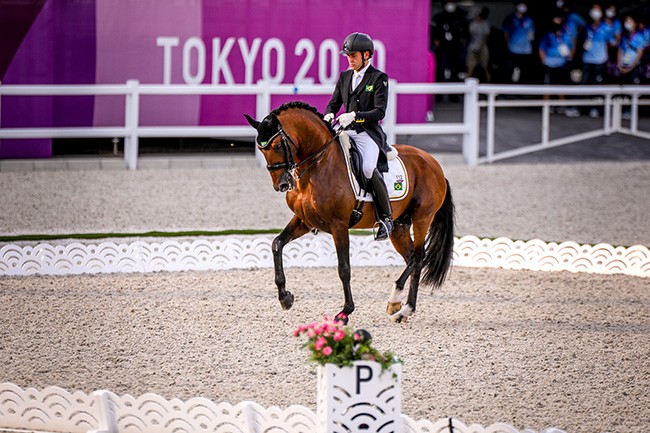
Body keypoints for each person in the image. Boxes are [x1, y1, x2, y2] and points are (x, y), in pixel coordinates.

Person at [323, 32, 393, 241]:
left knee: (367, 168)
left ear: (366, 55)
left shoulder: (378, 78)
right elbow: (334, 103)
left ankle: (386, 218)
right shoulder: (345, 77)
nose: (350, 59)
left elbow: (380, 112)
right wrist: (328, 113)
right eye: (348, 56)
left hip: (367, 134)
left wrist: (356, 116)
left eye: (353, 55)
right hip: (344, 131)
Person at [539, 12, 577, 116]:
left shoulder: (566, 34)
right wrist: (544, 60)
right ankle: (547, 106)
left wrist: (570, 56)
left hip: (562, 64)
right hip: (550, 64)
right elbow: (541, 49)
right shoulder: (548, 35)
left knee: (562, 86)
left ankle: (562, 106)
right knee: (548, 86)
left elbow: (572, 46)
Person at [431, 0, 468, 97]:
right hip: (442, 48)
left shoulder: (460, 16)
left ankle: (454, 95)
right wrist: (436, 39)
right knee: (440, 70)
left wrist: (462, 41)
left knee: (455, 70)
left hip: (455, 48)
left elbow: (465, 32)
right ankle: (439, 95)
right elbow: (433, 30)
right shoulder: (439, 17)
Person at [581, 3, 612, 117]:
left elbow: (611, 42)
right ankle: (583, 107)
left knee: (596, 84)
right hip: (587, 58)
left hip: (600, 59)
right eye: (593, 9)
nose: (595, 12)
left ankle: (595, 108)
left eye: (597, 10)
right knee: (584, 83)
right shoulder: (587, 26)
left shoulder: (606, 27)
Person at [617, 15, 646, 118]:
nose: (627, 23)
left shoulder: (639, 36)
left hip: (634, 67)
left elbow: (640, 53)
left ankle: (632, 111)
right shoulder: (624, 37)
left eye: (630, 21)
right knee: (624, 90)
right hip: (623, 66)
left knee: (633, 89)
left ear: (635, 23)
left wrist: (631, 67)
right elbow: (620, 51)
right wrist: (619, 64)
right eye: (626, 21)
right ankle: (624, 110)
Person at [502, 1, 535, 84]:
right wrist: (508, 44)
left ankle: (522, 91)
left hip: (526, 50)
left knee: (524, 71)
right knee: (511, 71)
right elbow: (506, 33)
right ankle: (510, 90)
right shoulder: (510, 18)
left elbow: (531, 34)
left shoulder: (529, 19)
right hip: (513, 49)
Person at [466, 6, 491, 82]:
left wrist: (481, 48)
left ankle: (488, 85)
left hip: (483, 48)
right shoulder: (472, 24)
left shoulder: (485, 24)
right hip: (473, 47)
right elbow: (471, 35)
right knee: (470, 67)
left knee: (485, 67)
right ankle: (466, 86)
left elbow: (485, 37)